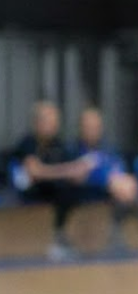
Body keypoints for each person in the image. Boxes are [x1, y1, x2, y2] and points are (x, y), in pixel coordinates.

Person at [10, 100, 93, 261]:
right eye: (49, 121)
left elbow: (73, 169)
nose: (53, 126)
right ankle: (56, 238)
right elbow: (35, 172)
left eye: (55, 122)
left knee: (71, 189)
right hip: (28, 190)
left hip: (51, 189)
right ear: (37, 123)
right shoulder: (27, 143)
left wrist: (75, 171)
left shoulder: (58, 144)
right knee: (62, 185)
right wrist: (66, 171)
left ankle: (61, 236)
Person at [74, 106, 138, 251]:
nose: (93, 130)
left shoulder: (109, 149)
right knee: (122, 186)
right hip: (85, 192)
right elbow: (76, 174)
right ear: (81, 128)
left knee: (130, 182)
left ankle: (122, 228)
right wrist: (108, 180)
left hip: (116, 192)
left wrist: (118, 181)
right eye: (89, 126)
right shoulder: (73, 150)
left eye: (96, 126)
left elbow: (119, 169)